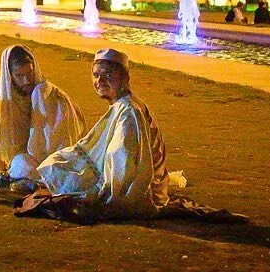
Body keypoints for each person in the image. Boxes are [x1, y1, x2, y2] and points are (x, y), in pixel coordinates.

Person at [33, 48, 171, 219]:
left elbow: (124, 164)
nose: (100, 81)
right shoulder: (122, 104)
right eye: (96, 75)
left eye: (108, 75)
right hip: (127, 178)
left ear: (125, 78)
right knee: (56, 164)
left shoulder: (128, 111)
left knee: (58, 169)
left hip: (142, 192)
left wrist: (103, 195)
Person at [0, 44, 86, 180]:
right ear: (9, 75)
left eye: (29, 73)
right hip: (22, 156)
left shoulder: (45, 93)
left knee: (42, 168)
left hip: (50, 155)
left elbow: (52, 143)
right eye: (19, 75)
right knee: (22, 165)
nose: (27, 80)